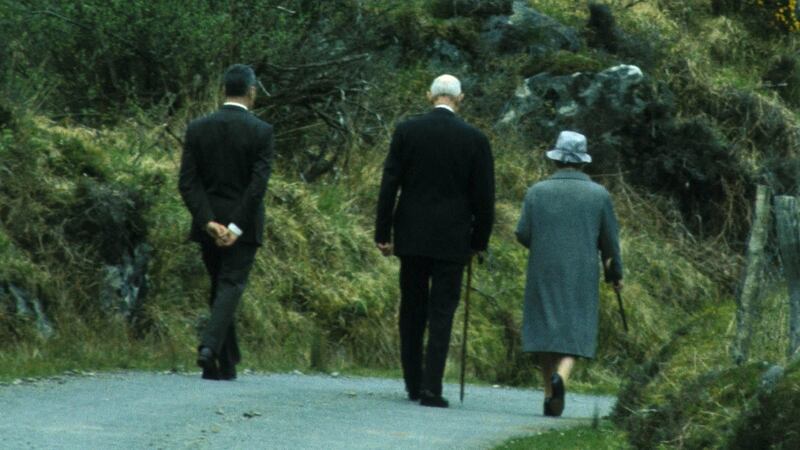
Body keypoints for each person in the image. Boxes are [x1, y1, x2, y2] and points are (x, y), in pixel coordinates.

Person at [375, 74, 495, 408]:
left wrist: (383, 233)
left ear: (430, 96)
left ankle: (413, 382)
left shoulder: (407, 131)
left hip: (411, 235)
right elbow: (485, 198)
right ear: (461, 99)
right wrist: (479, 241)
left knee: (412, 308)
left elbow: (389, 184)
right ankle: (432, 386)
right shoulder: (475, 139)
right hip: (452, 240)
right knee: (442, 311)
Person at [514, 131, 623, 417]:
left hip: (543, 268)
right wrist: (615, 275)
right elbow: (609, 242)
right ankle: (561, 377)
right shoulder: (599, 195)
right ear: (583, 162)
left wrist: (543, 246)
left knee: (545, 327)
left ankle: (550, 395)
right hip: (581, 271)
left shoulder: (537, 191)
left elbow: (522, 233)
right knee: (575, 326)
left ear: (556, 159)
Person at [179, 64, 274, 380]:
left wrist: (208, 222)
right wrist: (234, 227)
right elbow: (257, 186)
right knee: (230, 285)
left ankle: (225, 362)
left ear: (224, 91)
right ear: (251, 92)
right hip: (242, 226)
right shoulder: (262, 131)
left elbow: (188, 183)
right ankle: (208, 348)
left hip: (208, 223)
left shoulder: (197, 128)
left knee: (220, 286)